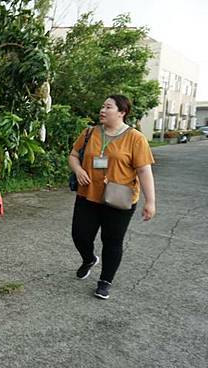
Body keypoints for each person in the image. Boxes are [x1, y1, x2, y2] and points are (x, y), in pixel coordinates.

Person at [69, 94, 156, 299]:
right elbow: (73, 155)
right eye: (102, 106)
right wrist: (78, 170)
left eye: (108, 107)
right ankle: (89, 258)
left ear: (121, 112)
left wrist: (150, 202)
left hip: (120, 198)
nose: (102, 110)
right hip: (88, 195)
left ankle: (105, 281)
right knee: (80, 235)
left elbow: (144, 171)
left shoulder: (135, 138)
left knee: (112, 241)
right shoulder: (90, 132)